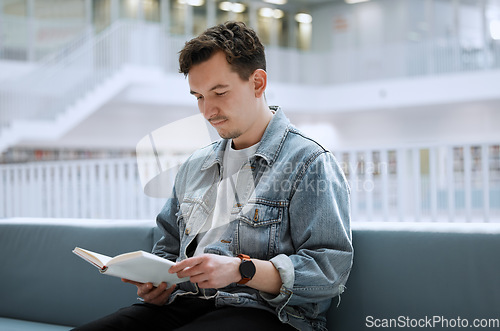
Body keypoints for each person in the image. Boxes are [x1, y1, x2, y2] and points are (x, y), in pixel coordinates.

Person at [73, 21, 353, 331]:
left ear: (258, 83)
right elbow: (168, 246)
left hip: (266, 314)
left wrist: (240, 270)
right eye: (199, 97)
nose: (208, 111)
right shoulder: (195, 165)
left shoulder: (309, 161)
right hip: (186, 304)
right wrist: (156, 283)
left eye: (219, 93)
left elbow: (330, 270)